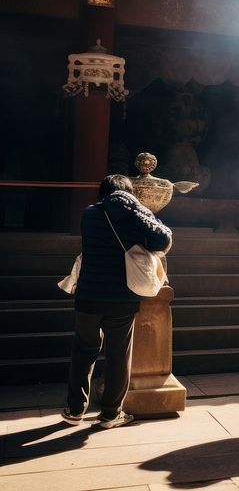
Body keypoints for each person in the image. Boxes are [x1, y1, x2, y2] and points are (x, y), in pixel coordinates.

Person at [63, 173, 173, 428]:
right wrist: (140, 209)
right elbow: (162, 239)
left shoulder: (88, 214)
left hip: (88, 295)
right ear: (128, 192)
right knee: (117, 355)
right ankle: (111, 414)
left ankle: (75, 409)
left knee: (83, 351)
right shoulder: (134, 214)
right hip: (121, 297)